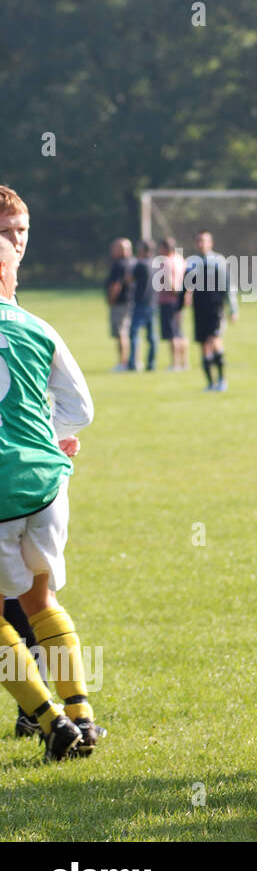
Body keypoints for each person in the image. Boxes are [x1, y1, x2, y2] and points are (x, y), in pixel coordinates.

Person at [0, 189, 101, 761]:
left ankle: (50, 720)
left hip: (6, 485)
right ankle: (80, 715)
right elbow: (80, 407)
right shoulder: (36, 323)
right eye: (11, 232)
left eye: (23, 230)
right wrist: (45, 436)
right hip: (45, 480)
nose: (20, 241)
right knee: (41, 597)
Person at [186, 230, 236, 391]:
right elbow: (186, 286)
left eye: (204, 240)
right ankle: (210, 383)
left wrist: (233, 308)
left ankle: (222, 380)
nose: (201, 244)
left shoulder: (218, 261)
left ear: (210, 243)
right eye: (198, 241)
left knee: (215, 340)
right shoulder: (191, 262)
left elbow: (228, 286)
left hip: (215, 308)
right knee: (203, 345)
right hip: (199, 309)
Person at [155, 237, 189, 371]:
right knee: (180, 332)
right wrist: (184, 295)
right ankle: (185, 363)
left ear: (164, 248)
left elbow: (169, 283)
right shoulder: (180, 259)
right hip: (179, 300)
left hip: (169, 300)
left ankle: (175, 364)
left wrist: (176, 294)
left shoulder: (166, 262)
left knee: (172, 334)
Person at [127, 239, 157, 372]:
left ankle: (133, 363)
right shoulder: (156, 264)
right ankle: (151, 363)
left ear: (144, 250)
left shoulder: (140, 264)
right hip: (153, 303)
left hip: (140, 303)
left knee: (134, 334)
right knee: (152, 336)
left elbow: (129, 279)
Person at [104, 238, 134, 371]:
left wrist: (111, 300)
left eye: (115, 248)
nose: (112, 251)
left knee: (121, 334)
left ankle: (123, 362)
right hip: (131, 302)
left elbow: (116, 285)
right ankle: (132, 361)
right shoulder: (133, 263)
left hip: (120, 303)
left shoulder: (119, 265)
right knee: (128, 333)